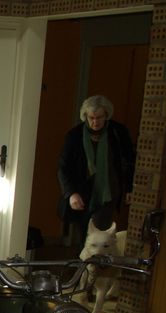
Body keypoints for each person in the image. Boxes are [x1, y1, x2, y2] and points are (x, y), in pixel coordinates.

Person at [57, 95, 136, 243]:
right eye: (91, 118)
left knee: (99, 233)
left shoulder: (118, 132)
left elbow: (129, 160)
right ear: (85, 116)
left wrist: (129, 187)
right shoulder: (75, 135)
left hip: (107, 192)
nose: (95, 122)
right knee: (83, 235)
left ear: (106, 115)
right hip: (83, 192)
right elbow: (63, 167)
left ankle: (92, 264)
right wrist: (71, 193)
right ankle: (84, 264)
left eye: (99, 117)